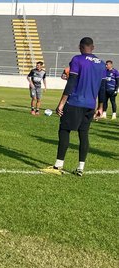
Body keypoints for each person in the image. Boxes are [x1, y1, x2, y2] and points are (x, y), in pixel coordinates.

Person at [43, 37, 106, 176]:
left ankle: (58, 166)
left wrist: (61, 103)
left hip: (75, 102)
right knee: (83, 134)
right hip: (91, 105)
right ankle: (80, 168)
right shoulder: (101, 64)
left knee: (64, 130)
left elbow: (71, 82)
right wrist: (101, 107)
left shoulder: (77, 59)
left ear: (80, 47)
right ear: (93, 48)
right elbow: (103, 87)